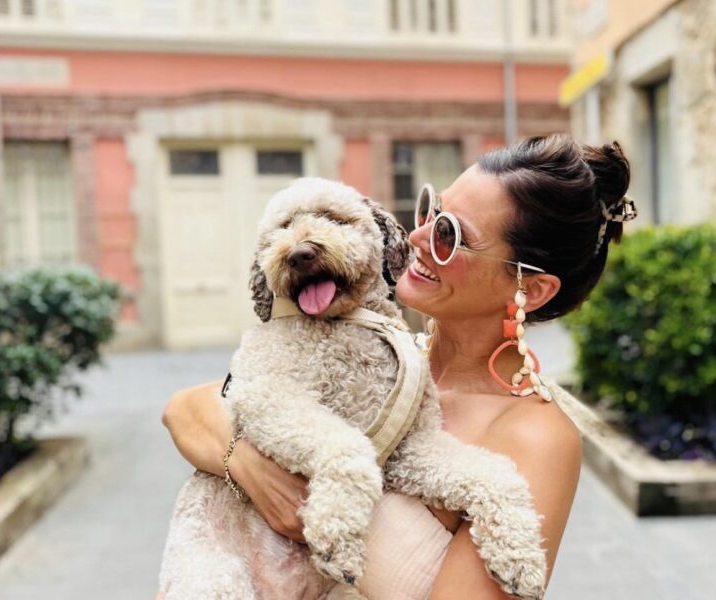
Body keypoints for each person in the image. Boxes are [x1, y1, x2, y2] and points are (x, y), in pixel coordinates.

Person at [161, 133, 636, 599]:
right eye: (432, 210)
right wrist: (249, 467)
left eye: (451, 236)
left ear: (529, 289)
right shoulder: (387, 358)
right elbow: (185, 410)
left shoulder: (537, 435)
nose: (418, 236)